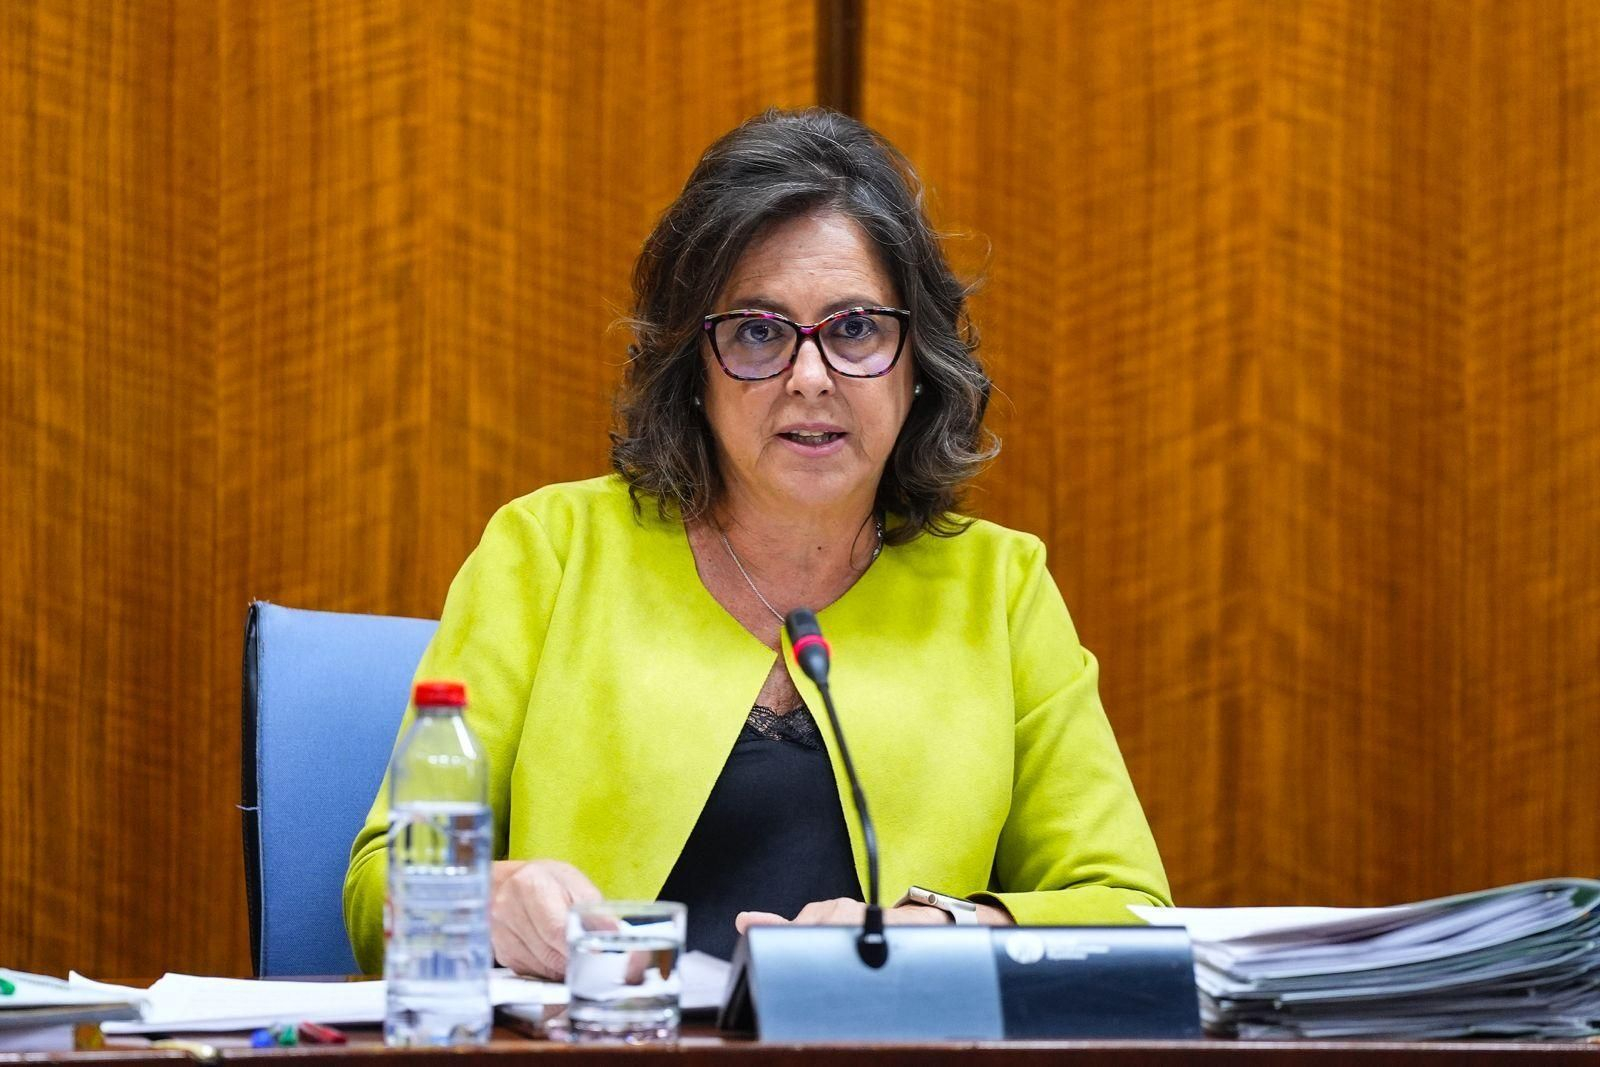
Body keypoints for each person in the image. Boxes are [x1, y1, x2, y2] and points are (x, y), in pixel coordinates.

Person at [344, 107, 1171, 977]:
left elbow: (1128, 912)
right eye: (758, 332)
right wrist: (489, 902)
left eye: (855, 329)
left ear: (916, 360)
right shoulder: (549, 552)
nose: (809, 377)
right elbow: (376, 891)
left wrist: (947, 929)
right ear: (693, 371)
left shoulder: (1000, 589)